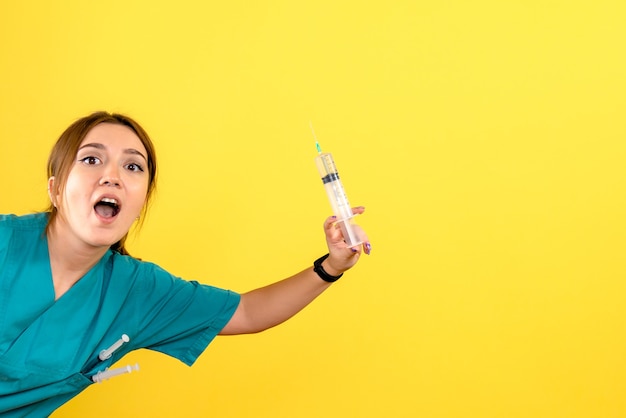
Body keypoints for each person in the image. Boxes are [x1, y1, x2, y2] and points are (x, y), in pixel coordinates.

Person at [0, 111, 371, 417]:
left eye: (133, 166)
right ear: (55, 189)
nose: (112, 175)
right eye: (92, 159)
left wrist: (332, 265)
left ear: (141, 201)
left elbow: (247, 312)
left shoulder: (137, 292)